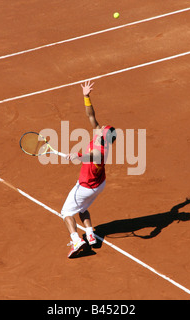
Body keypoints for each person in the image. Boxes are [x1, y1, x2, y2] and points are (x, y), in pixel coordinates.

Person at [61, 80, 117, 258]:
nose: (100, 128)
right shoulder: (101, 139)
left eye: (103, 129)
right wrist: (86, 96)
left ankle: (76, 240)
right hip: (99, 185)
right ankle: (91, 234)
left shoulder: (99, 150)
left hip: (86, 186)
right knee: (83, 209)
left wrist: (75, 155)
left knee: (66, 213)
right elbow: (91, 116)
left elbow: (89, 156)